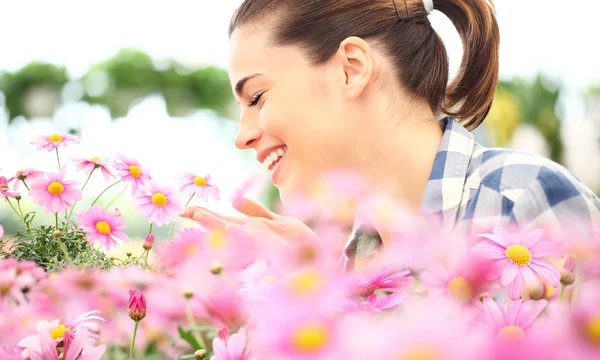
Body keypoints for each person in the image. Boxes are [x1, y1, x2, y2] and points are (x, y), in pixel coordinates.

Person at [182, 0, 600, 267]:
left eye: (256, 97)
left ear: (352, 68)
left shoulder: (524, 200)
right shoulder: (360, 258)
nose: (242, 137)